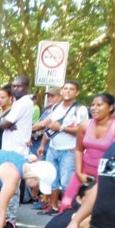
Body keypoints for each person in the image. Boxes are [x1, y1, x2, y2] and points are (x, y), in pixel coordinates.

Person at [36, 80, 89, 216]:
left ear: (77, 92)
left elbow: (83, 130)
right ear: (61, 91)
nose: (67, 91)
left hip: (70, 149)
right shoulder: (56, 107)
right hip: (53, 147)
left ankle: (66, 210)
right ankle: (53, 206)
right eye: (65, 88)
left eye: (71, 89)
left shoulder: (80, 109)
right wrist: (42, 144)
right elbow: (47, 126)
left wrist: (62, 128)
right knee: (52, 179)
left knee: (66, 182)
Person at [59, 93, 115, 212]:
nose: (94, 108)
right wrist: (79, 172)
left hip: (104, 176)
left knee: (94, 210)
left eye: (99, 105)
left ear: (110, 107)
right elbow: (79, 149)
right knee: (67, 204)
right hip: (83, 172)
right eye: (93, 105)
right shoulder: (85, 125)